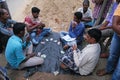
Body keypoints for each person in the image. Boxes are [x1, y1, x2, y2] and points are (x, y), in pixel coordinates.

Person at [96, 3, 120, 80]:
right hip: (116, 33)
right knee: (113, 54)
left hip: (113, 29)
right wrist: (103, 26)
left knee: (119, 69)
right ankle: (109, 69)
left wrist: (104, 27)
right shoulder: (116, 5)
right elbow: (113, 23)